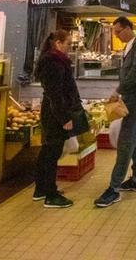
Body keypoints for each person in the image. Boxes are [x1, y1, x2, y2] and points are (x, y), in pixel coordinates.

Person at [95, 16, 136, 208]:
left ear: (128, 28)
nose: (117, 35)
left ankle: (114, 188)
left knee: (126, 140)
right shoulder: (130, 46)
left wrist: (118, 90)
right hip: (132, 97)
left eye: (118, 31)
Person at [33, 30, 82, 208]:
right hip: (54, 114)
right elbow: (55, 94)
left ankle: (41, 189)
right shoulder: (54, 63)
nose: (70, 47)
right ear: (58, 43)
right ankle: (51, 195)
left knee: (47, 152)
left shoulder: (53, 61)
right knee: (52, 153)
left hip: (51, 112)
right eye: (68, 43)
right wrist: (64, 118)